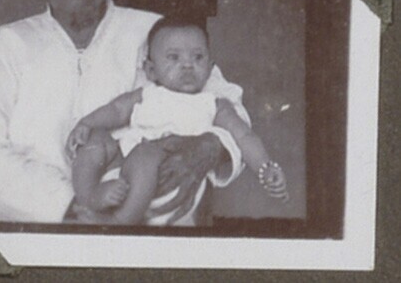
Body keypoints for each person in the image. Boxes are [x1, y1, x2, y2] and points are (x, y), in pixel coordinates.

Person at [0, 0, 247, 223]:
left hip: (148, 236)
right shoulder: (6, 46)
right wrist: (73, 207)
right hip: (38, 232)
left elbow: (230, 106)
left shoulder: (157, 33)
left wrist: (212, 145)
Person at [67, 17, 289, 226]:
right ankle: (89, 196)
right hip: (124, 167)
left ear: (210, 67)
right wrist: (86, 124)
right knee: (96, 138)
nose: (187, 65)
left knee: (147, 153)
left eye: (198, 57)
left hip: (168, 180)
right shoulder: (146, 94)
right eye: (174, 57)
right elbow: (116, 110)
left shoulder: (213, 104)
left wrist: (265, 167)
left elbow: (244, 136)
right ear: (151, 70)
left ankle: (119, 221)